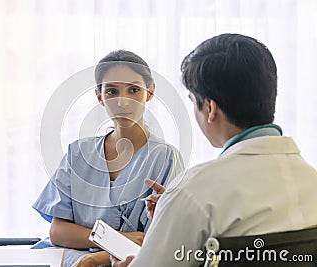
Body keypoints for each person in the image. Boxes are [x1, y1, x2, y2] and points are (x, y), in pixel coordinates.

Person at [111, 34, 317, 267]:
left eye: (192, 100)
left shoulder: (193, 190)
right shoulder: (311, 180)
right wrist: (175, 210)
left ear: (210, 108)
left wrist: (179, 205)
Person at [32, 50, 184, 267]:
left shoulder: (165, 158)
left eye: (134, 90)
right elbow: (58, 232)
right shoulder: (78, 154)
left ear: (149, 93)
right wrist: (115, 241)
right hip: (67, 260)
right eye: (112, 91)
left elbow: (155, 241)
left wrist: (95, 257)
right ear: (99, 96)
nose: (123, 102)